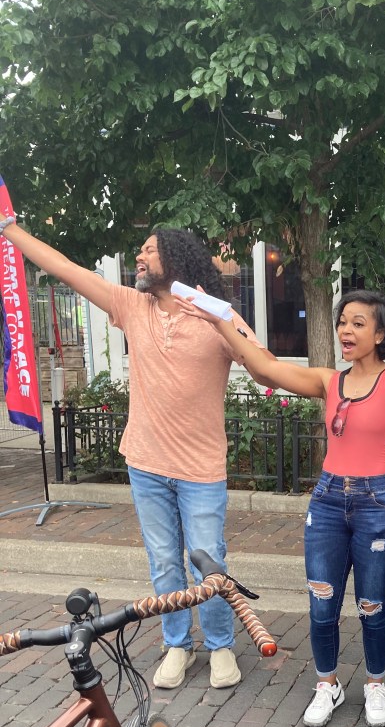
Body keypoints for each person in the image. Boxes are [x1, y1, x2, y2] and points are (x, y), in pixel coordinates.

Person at [176, 287, 385, 727]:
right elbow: (265, 368)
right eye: (343, 321)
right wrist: (218, 318)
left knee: (372, 605)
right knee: (322, 605)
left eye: (358, 323)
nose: (346, 330)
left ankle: (375, 685)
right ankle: (327, 684)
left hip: (379, 506)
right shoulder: (330, 381)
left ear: (381, 333)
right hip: (328, 503)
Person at [0, 213, 271, 690]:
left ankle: (221, 644)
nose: (139, 258)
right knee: (164, 560)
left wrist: (219, 317)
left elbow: (265, 370)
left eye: (148, 250)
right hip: (145, 462)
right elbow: (66, 268)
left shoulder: (216, 313)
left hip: (200, 466)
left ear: (177, 258)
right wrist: (10, 231)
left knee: (208, 559)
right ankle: (176, 645)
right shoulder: (130, 305)